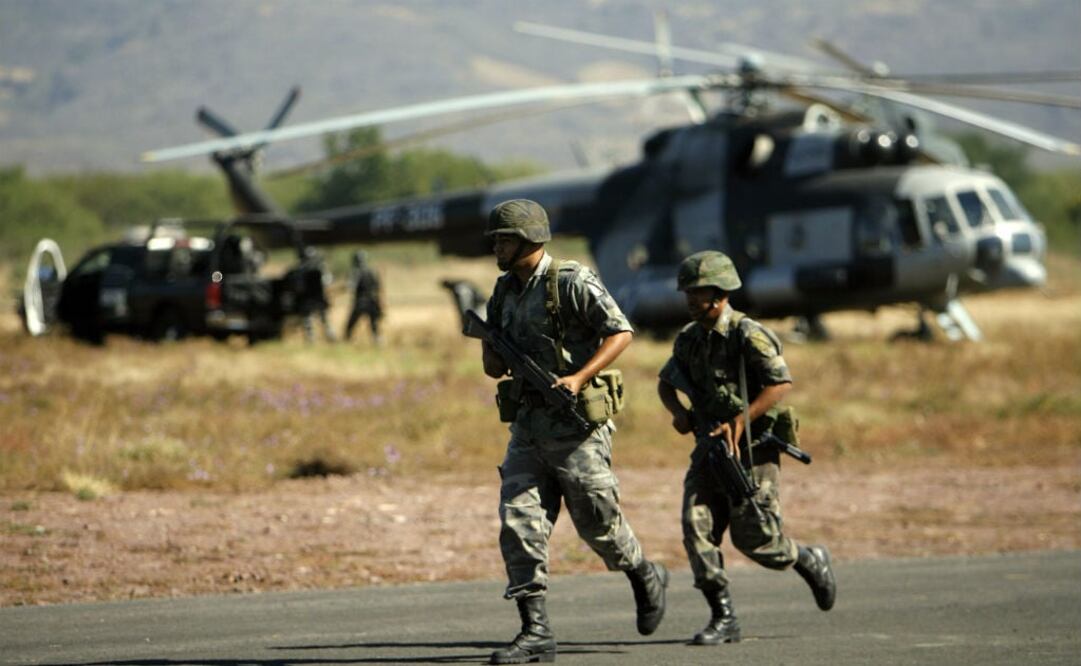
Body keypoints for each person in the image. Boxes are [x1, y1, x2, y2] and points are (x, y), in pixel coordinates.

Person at [481, 199, 668, 665]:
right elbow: (493, 368)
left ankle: (643, 572)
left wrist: (579, 377)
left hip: (578, 428)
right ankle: (536, 631)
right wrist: (490, 344)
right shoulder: (503, 292)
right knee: (518, 523)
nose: (497, 248)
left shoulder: (570, 281)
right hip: (528, 428)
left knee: (599, 525)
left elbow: (620, 331)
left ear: (529, 240)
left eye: (504, 239)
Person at [656, 250, 836, 646]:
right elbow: (666, 382)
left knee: (757, 541)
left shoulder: (747, 334)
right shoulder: (689, 339)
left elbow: (780, 384)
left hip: (752, 451)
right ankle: (724, 617)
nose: (688, 299)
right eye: (686, 291)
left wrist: (741, 420)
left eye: (697, 292)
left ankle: (807, 559)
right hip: (710, 450)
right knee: (696, 525)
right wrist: (679, 413)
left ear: (719, 295)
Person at [297, 246, 336, 343]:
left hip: (311, 298)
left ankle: (314, 338)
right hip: (315, 298)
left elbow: (299, 286)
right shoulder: (318, 268)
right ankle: (325, 336)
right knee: (320, 319)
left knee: (316, 319)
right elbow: (328, 281)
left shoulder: (302, 269)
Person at [344, 250, 383, 344]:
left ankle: (347, 341)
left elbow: (351, 286)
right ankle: (377, 341)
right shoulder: (372, 271)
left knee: (350, 325)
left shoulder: (356, 272)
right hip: (372, 301)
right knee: (373, 324)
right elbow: (378, 288)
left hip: (361, 302)